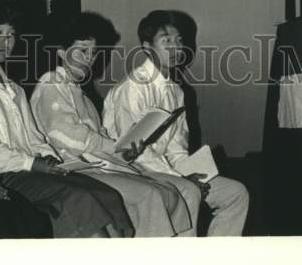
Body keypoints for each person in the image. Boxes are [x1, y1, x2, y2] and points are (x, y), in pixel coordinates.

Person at [0, 0, 135, 239]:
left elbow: (34, 137)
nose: (6, 41)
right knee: (79, 199)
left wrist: (47, 156)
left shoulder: (14, 89)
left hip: (31, 169)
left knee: (107, 195)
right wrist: (31, 163)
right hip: (2, 176)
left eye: (11, 34)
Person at [31, 12, 194, 237]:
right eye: (82, 51)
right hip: (72, 171)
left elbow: (101, 141)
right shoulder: (51, 83)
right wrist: (116, 148)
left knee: (168, 191)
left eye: (93, 52)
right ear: (61, 52)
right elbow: (69, 136)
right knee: (151, 194)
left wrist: (125, 152)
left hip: (97, 166)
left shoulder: (82, 95)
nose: (89, 58)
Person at [103, 10, 249, 237]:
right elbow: (132, 151)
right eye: (167, 41)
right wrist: (180, 178)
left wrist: (191, 170)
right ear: (147, 46)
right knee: (188, 191)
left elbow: (176, 147)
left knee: (235, 193)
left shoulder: (176, 91)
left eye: (179, 41)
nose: (176, 48)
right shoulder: (133, 87)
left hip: (166, 170)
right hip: (133, 171)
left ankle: (217, 254)